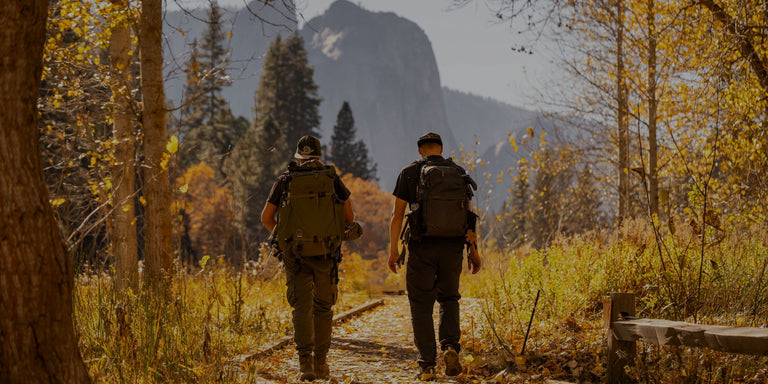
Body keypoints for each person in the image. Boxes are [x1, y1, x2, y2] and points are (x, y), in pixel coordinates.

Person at [388, 132, 482, 381]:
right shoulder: (459, 172)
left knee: (421, 305)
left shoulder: (409, 172)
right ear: (440, 149)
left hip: (421, 246)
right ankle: (450, 346)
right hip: (453, 248)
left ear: (421, 151)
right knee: (449, 299)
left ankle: (427, 365)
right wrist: (474, 251)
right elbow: (470, 216)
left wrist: (393, 250)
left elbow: (397, 215)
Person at [261, 135, 355, 381]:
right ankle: (321, 363)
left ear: (298, 155)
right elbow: (349, 216)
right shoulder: (332, 178)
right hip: (326, 253)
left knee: (301, 308)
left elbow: (266, 217)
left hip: (295, 254)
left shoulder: (286, 179)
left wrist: (283, 238)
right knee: (323, 307)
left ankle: (305, 365)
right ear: (318, 155)